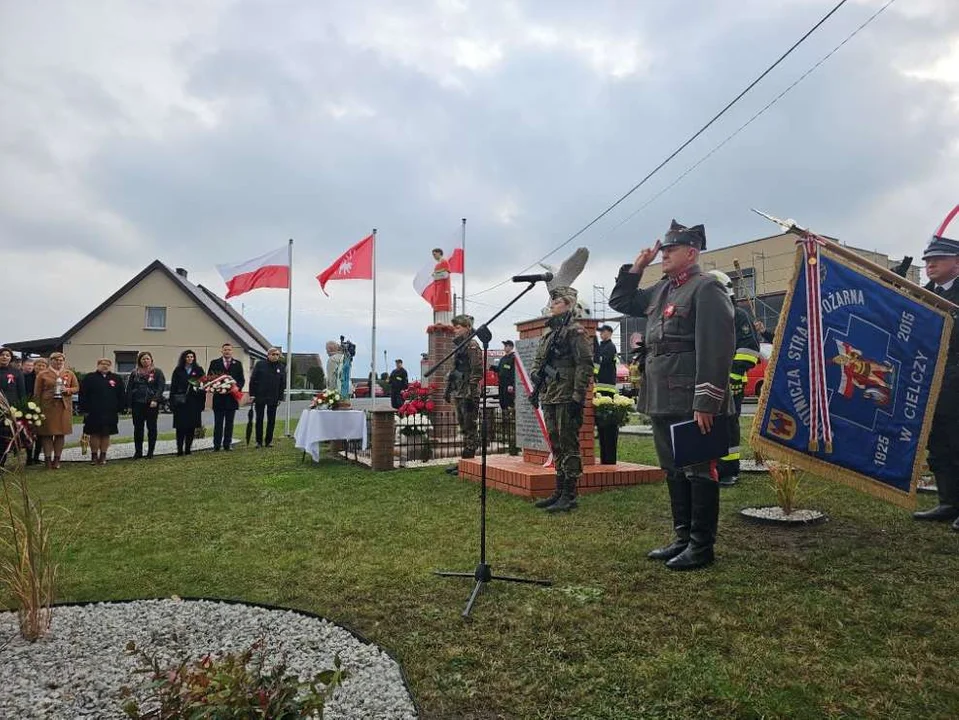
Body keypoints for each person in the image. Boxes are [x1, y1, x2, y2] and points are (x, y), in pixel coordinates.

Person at [609, 219, 734, 570]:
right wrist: (638, 267)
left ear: (691, 252)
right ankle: (682, 538)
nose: (663, 254)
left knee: (697, 469)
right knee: (674, 470)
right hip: (662, 395)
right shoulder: (663, 289)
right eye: (662, 250)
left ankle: (701, 546)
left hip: (692, 398)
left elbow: (717, 349)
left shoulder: (706, 288)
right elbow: (622, 300)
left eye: (670, 250)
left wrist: (707, 401)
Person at [532, 287, 594, 513]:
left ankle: (570, 493)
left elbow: (584, 365)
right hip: (550, 393)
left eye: (556, 301)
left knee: (569, 443)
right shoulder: (550, 333)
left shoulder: (575, 332)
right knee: (556, 443)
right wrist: (535, 374)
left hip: (567, 393)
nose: (552, 304)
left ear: (568, 304)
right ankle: (558, 490)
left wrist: (578, 396)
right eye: (552, 301)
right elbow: (539, 361)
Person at [913, 233, 959, 528]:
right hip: (934, 377)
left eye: (937, 259)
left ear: (957, 262)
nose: (930, 264)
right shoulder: (924, 292)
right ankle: (949, 502)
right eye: (928, 260)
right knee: (939, 441)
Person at [709, 270, 761, 488]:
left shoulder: (738, 315)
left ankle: (730, 469)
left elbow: (750, 350)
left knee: (728, 424)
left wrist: (733, 374)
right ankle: (713, 465)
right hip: (708, 382)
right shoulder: (709, 318)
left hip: (731, 382)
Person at [445, 314, 482, 472]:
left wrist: (470, 392)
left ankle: (469, 461)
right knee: (463, 427)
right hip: (459, 392)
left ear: (467, 327)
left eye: (458, 327)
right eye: (454, 327)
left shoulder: (472, 345)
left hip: (468, 393)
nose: (455, 330)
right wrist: (448, 389)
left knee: (470, 427)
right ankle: (465, 462)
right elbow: (454, 371)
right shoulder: (460, 346)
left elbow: (477, 371)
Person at [33, 351, 80, 470]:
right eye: (56, 360)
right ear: (51, 361)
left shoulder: (69, 373)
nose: (59, 362)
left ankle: (57, 459)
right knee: (47, 434)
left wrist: (68, 390)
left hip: (63, 407)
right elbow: (37, 393)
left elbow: (76, 388)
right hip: (47, 407)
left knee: (60, 434)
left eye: (61, 360)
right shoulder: (42, 374)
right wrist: (36, 408)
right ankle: (48, 460)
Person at [79, 358, 126, 465]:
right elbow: (83, 394)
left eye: (108, 364)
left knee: (106, 434)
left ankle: (103, 455)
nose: (105, 366)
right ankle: (94, 456)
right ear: (98, 365)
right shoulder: (90, 378)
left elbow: (121, 395)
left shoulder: (116, 378)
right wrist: (84, 409)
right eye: (102, 364)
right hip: (93, 412)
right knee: (94, 434)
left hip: (110, 412)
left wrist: (120, 408)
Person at [126, 351, 166, 459]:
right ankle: (138, 452)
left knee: (151, 428)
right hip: (137, 404)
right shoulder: (134, 373)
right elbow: (129, 389)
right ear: (139, 360)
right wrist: (129, 405)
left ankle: (150, 452)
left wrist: (155, 399)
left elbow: (160, 387)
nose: (145, 361)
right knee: (138, 429)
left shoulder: (157, 372)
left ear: (151, 360)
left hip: (151, 404)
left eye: (147, 358)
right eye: (143, 359)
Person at [207, 342, 245, 452]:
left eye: (229, 350)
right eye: (225, 350)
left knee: (229, 423)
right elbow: (210, 378)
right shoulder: (214, 363)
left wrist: (237, 388)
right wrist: (218, 387)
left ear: (232, 351)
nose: (227, 351)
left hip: (231, 399)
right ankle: (217, 446)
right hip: (219, 398)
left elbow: (241, 380)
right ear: (222, 351)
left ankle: (227, 445)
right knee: (218, 423)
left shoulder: (237, 364)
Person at [170, 349, 206, 456]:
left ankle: (188, 449)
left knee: (191, 427)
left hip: (194, 402)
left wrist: (202, 403)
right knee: (180, 427)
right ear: (184, 358)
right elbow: (173, 387)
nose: (190, 359)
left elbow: (203, 386)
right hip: (181, 402)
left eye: (192, 357)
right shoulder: (178, 370)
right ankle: (180, 450)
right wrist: (172, 402)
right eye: (188, 357)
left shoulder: (198, 370)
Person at [249, 347, 286, 448]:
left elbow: (282, 383)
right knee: (259, 419)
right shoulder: (260, 364)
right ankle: (259, 441)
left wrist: (280, 397)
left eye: (277, 355)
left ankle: (268, 441)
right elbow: (253, 379)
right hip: (260, 395)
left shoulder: (281, 367)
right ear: (268, 355)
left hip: (273, 397)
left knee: (271, 420)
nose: (275, 356)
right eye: (273, 354)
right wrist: (252, 394)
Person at [0, 347, 26, 466]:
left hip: (10, 409)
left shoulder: (16, 372)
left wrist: (22, 408)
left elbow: (21, 392)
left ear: (10, 358)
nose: (4, 357)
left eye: (7, 355)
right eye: (2, 355)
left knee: (5, 437)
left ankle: (1, 463)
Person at [497, 340, 517, 451]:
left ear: (511, 347)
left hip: (508, 386)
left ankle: (510, 418)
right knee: (503, 403)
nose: (505, 347)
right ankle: (505, 419)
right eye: (504, 346)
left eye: (506, 346)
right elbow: (501, 370)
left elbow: (513, 372)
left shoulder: (513, 358)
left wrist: (511, 384)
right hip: (501, 385)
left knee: (509, 404)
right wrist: (492, 368)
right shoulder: (503, 358)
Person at [21, 357, 40, 465]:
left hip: (38, 406)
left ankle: (36, 457)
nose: (29, 367)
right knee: (28, 433)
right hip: (26, 406)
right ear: (23, 366)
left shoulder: (38, 377)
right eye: (27, 365)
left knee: (39, 433)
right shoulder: (22, 377)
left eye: (31, 366)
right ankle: (29, 457)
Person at [594, 324, 619, 396]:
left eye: (603, 331)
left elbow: (603, 360)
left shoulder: (610, 346)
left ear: (609, 333)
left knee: (606, 403)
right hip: (600, 381)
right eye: (600, 332)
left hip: (607, 382)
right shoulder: (602, 346)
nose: (600, 333)